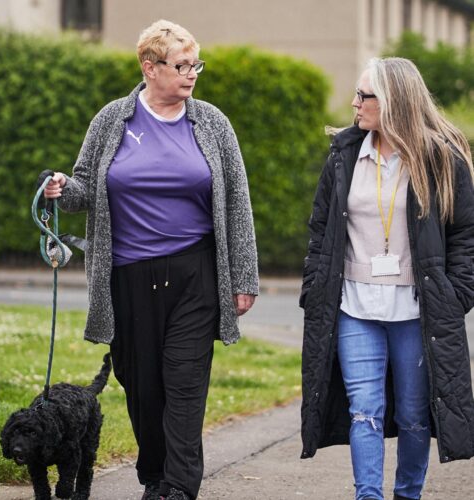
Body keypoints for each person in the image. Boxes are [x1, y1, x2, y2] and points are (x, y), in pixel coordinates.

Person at [43, 19, 258, 500]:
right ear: (150, 67)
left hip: (195, 273)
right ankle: (156, 476)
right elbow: (84, 189)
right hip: (127, 276)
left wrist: (244, 277)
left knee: (185, 382)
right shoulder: (111, 120)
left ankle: (180, 487)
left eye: (195, 64)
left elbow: (237, 204)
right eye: (181, 65)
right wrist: (61, 188)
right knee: (141, 386)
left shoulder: (213, 124)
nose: (191, 74)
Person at [299, 56, 474, 500]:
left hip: (416, 311)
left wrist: (455, 296)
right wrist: (314, 286)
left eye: (364, 96)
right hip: (354, 306)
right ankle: (368, 495)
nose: (354, 104)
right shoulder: (344, 154)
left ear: (393, 101)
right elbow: (320, 229)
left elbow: (466, 235)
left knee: (415, 415)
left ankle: (407, 495)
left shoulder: (442, 159)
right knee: (365, 411)